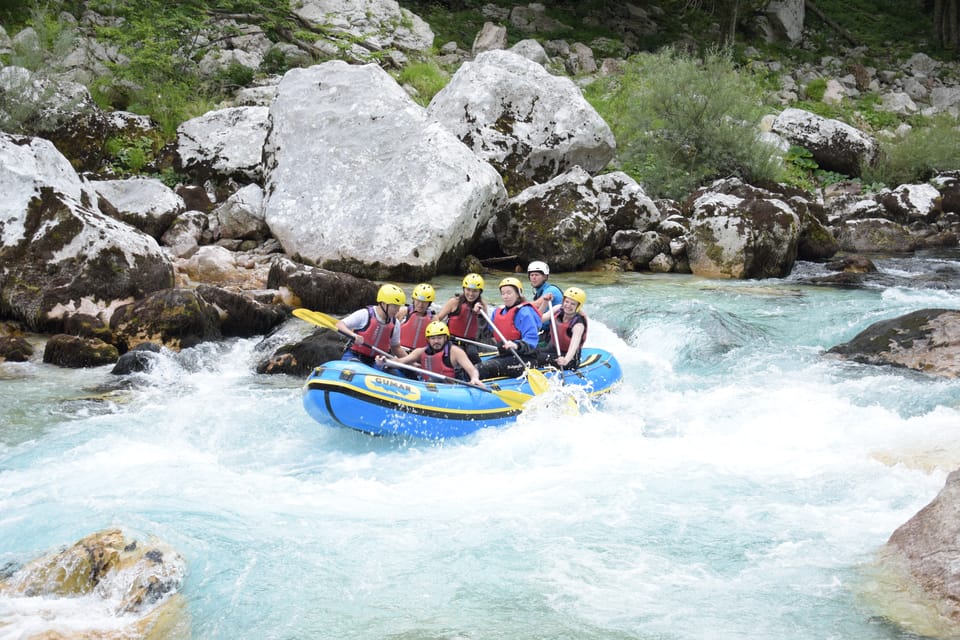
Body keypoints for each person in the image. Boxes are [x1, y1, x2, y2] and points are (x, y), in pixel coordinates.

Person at [376, 320, 484, 387]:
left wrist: (474, 378)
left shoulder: (455, 352)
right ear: (428, 339)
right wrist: (385, 362)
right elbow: (400, 362)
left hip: (451, 389)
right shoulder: (420, 352)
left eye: (439, 338)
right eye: (433, 338)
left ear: (445, 338)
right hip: (427, 388)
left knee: (434, 380)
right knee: (395, 369)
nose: (436, 341)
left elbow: (472, 370)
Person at [475, 276, 542, 380]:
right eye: (503, 293)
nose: (505, 296)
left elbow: (531, 342)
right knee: (473, 368)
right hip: (507, 356)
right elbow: (486, 334)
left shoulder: (525, 312)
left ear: (518, 293)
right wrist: (480, 315)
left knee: (482, 368)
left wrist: (516, 345)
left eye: (509, 293)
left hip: (524, 359)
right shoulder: (499, 311)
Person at [335, 283, 407, 367]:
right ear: (383, 304)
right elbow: (339, 325)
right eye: (394, 306)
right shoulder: (365, 314)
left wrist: (410, 361)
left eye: (399, 306)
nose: (398, 310)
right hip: (355, 356)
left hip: (377, 361)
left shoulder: (395, 323)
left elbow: (396, 348)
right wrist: (353, 335)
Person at [435, 273, 490, 363]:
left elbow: (485, 330)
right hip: (451, 340)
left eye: (475, 291)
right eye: (468, 290)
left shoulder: (482, 305)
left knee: (474, 359)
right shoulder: (454, 302)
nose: (471, 294)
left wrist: (480, 314)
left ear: (480, 292)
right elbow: (437, 318)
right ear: (464, 289)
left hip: (470, 343)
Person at [538, 286, 588, 369]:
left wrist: (566, 360)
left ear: (578, 306)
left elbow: (573, 346)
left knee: (534, 358)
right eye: (567, 302)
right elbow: (539, 319)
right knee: (529, 351)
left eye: (573, 304)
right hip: (553, 349)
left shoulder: (578, 325)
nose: (568, 305)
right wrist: (545, 303)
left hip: (569, 357)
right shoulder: (558, 309)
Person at [397, 283, 435, 351]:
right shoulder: (403, 312)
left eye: (424, 302)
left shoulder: (433, 319)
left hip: (419, 355)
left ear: (429, 303)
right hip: (400, 350)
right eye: (418, 301)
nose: (420, 305)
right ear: (413, 299)